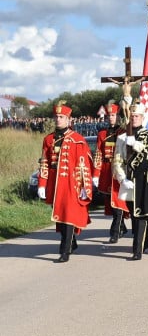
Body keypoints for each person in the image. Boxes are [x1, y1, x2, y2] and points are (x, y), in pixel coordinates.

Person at [37, 101, 94, 263]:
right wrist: (42, 183)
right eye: (56, 117)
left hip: (71, 182)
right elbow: (44, 163)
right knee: (60, 215)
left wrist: (84, 186)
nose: (58, 120)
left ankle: (65, 250)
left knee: (68, 213)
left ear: (69, 119)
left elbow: (83, 165)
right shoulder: (48, 139)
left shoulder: (77, 139)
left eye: (61, 117)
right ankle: (71, 242)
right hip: (54, 183)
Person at [112, 101, 148, 260]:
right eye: (132, 116)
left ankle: (137, 250)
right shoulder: (121, 138)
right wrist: (122, 178)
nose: (134, 118)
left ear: (143, 117)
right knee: (135, 215)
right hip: (128, 182)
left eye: (137, 116)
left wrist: (135, 144)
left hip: (145, 182)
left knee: (140, 214)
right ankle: (144, 242)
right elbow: (117, 161)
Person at [93, 100, 129, 243]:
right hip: (107, 171)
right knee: (110, 201)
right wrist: (96, 174)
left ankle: (114, 232)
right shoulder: (102, 134)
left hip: (119, 170)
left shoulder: (124, 132)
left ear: (118, 116)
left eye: (113, 115)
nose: (111, 118)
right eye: (109, 115)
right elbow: (98, 154)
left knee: (118, 201)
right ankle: (122, 227)